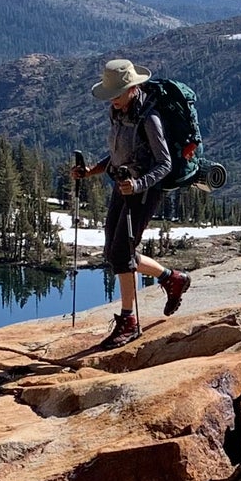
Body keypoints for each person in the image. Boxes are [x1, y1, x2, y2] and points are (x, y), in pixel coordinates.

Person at [77, 57, 188, 347]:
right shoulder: (119, 111)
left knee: (122, 252)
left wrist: (138, 184)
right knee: (115, 252)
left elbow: (164, 164)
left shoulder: (149, 118)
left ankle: (129, 321)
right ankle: (171, 278)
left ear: (131, 88)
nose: (111, 98)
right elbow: (118, 156)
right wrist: (91, 171)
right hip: (123, 186)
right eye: (110, 94)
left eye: (116, 93)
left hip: (144, 191)